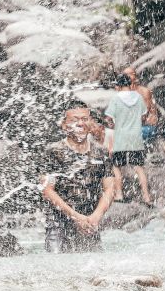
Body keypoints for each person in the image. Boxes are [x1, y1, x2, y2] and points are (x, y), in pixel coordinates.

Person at [39, 102, 115, 253]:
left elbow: (110, 188)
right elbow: (47, 191)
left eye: (85, 119)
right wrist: (75, 217)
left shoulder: (100, 152)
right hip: (59, 225)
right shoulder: (53, 152)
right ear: (64, 125)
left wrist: (95, 217)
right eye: (74, 120)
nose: (81, 123)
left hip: (89, 222)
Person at [103, 73, 152, 206]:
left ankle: (119, 194)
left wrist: (113, 124)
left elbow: (108, 118)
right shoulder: (138, 97)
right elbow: (144, 116)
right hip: (135, 137)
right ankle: (146, 197)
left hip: (120, 137)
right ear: (130, 84)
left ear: (118, 86)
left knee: (117, 166)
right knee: (139, 167)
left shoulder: (116, 98)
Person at [123, 66, 159, 141]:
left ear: (134, 77)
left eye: (128, 74)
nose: (126, 77)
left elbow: (143, 116)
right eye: (124, 75)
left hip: (148, 127)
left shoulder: (144, 91)